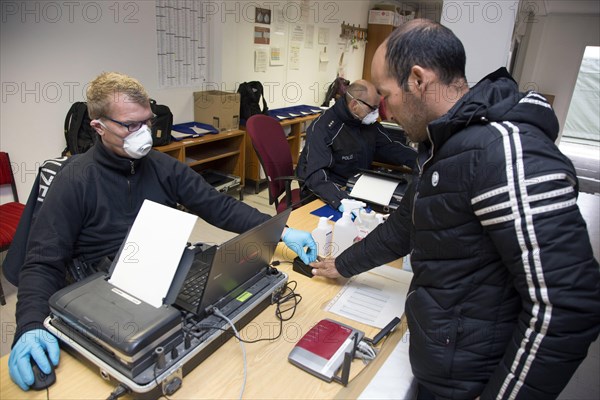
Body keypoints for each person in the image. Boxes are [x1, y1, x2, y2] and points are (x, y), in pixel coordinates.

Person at [311, 19, 600, 399]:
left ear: (417, 80)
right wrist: (344, 264)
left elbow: (566, 305)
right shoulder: (447, 145)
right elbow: (407, 225)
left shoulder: (504, 153)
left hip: (473, 379)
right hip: (441, 357)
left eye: (386, 94)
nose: (386, 111)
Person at [8, 72, 317, 391]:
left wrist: (282, 232)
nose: (145, 133)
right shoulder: (74, 180)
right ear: (98, 127)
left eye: (147, 122)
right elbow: (42, 262)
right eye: (131, 125)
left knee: (221, 319)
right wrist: (30, 325)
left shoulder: (161, 166)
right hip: (101, 289)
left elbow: (217, 206)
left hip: (157, 268)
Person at [296, 79, 416, 210]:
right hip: (329, 193)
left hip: (358, 187)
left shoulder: (365, 122)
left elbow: (390, 148)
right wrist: (343, 202)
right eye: (373, 109)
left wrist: (421, 161)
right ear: (354, 105)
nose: (376, 114)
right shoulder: (323, 128)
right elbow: (317, 178)